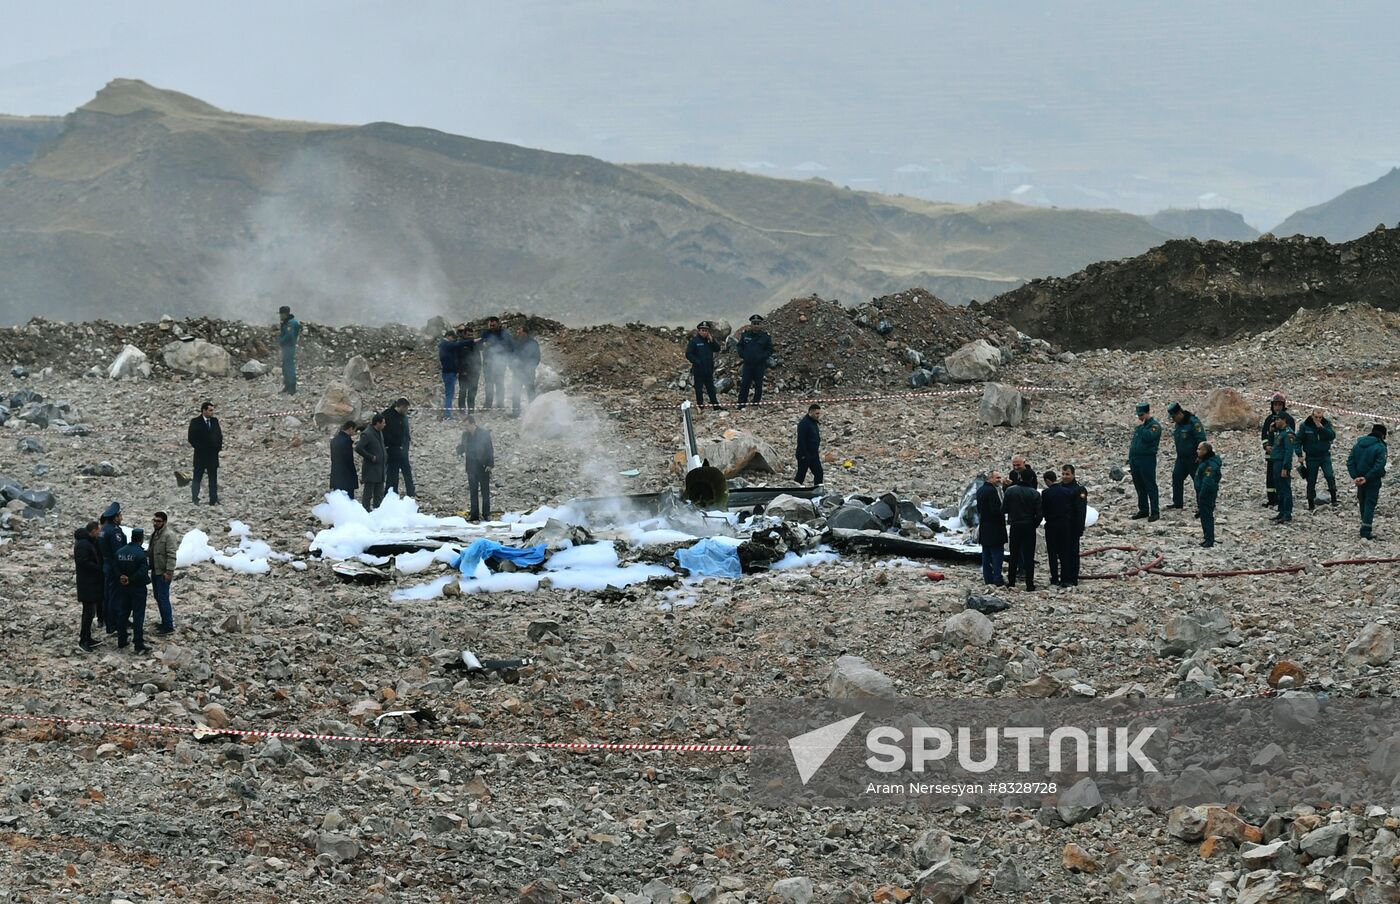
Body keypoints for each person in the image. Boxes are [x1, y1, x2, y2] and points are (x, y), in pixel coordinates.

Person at [1042, 464, 1088, 587]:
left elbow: (1081, 511)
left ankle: (1072, 577)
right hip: (1062, 526)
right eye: (1063, 474)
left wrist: (1079, 528)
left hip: (1072, 526)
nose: (1065, 476)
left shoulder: (1079, 489)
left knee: (1072, 552)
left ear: (1073, 474)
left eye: (1067, 474)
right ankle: (1063, 576)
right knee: (1062, 552)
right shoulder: (1060, 487)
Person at [1347, 424, 1388, 540]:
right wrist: (1367, 477)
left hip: (1359, 479)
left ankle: (1364, 523)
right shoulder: (1380, 447)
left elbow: (1350, 461)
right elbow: (1379, 465)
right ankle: (1365, 531)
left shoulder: (1358, 444)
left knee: (1362, 501)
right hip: (1372, 480)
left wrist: (1355, 477)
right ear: (1383, 435)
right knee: (1370, 504)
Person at [114, 527, 151, 653]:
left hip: (122, 587)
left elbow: (114, 567)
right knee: (138, 615)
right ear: (141, 539)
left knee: (123, 613)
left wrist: (122, 577)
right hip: (137, 588)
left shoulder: (120, 552)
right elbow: (143, 571)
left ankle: (122, 639)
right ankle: (138, 643)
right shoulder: (141, 554)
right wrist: (131, 579)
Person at [1004, 471, 1042, 591]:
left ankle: (1011, 582)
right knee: (1029, 556)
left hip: (1015, 525)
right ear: (1031, 479)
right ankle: (1029, 584)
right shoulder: (1035, 493)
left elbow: (1003, 508)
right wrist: (1034, 524)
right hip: (1029, 526)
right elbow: (1039, 514)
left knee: (1014, 554)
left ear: (1019, 477)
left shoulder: (1010, 491)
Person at [1166, 401, 1207, 511]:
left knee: (1198, 482)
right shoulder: (1178, 424)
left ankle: (1202, 505)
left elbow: (1201, 439)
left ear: (1179, 413)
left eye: (1174, 417)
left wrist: (1201, 456)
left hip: (1194, 458)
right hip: (1181, 458)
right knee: (1176, 477)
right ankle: (1177, 503)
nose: (1173, 420)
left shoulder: (1194, 423)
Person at [455, 416, 495, 521]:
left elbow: (489, 449)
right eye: (464, 426)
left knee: (485, 491)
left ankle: (486, 514)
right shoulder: (465, 435)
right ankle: (474, 514)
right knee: (473, 491)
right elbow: (463, 447)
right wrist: (459, 450)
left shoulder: (484, 434)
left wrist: (490, 465)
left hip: (483, 466)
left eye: (467, 425)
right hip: (471, 467)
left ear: (473, 424)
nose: (465, 428)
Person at [1298, 408, 1338, 509]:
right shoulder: (1305, 426)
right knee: (1311, 480)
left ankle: (1334, 498)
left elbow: (1332, 436)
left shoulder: (1326, 424)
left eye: (1320, 417)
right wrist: (1299, 454)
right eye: (1316, 417)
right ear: (1312, 416)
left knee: (1329, 475)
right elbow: (1298, 440)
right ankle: (1311, 502)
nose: (1318, 419)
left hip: (1324, 455)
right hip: (1311, 457)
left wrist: (1322, 429)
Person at [1260, 392, 1296, 507]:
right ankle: (1272, 499)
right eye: (1275, 405)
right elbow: (1264, 434)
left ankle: (1283, 502)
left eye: (1279, 405)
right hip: (1271, 453)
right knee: (1271, 476)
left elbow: (1289, 438)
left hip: (1281, 454)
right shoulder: (1269, 419)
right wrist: (1266, 446)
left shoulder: (1288, 419)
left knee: (1282, 478)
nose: (1277, 407)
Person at [73, 521, 105, 652]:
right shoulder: (83, 544)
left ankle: (87, 637)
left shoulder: (88, 542)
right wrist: (99, 568)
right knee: (88, 612)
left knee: (90, 612)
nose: (99, 533)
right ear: (93, 530)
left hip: (91, 583)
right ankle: (83, 641)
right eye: (98, 531)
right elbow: (83, 562)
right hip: (87, 583)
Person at [1129, 402, 1162, 521]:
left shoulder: (1154, 426)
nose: (1140, 417)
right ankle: (1143, 509)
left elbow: (1149, 437)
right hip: (1135, 459)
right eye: (1138, 415)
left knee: (1150, 484)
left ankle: (1155, 511)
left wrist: (1142, 427)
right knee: (1139, 485)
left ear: (1148, 413)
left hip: (1147, 459)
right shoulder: (1140, 427)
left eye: (1142, 414)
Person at [187, 401, 223, 505]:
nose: (212, 413)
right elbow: (191, 438)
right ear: (204, 410)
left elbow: (219, 435)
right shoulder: (195, 422)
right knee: (197, 478)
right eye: (210, 410)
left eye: (213, 410)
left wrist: (217, 448)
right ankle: (195, 498)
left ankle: (213, 499)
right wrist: (201, 448)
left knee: (213, 479)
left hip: (212, 456)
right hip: (200, 456)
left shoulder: (215, 421)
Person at [975, 471, 1007, 586]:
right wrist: (1003, 514)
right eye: (997, 478)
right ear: (990, 478)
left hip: (984, 526)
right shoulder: (993, 491)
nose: (999, 480)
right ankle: (997, 579)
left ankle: (988, 579)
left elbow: (979, 509)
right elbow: (996, 510)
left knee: (986, 554)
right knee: (997, 554)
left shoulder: (980, 490)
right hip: (995, 528)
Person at [148, 511, 177, 636]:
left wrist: (169, 572)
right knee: (158, 597)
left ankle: (168, 626)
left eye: (158, 521)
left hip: (163, 572)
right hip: (155, 570)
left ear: (164, 522)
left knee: (163, 598)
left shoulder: (168, 535)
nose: (155, 523)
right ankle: (164, 622)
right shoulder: (155, 534)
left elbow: (171, 555)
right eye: (154, 521)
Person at [736, 314, 773, 409]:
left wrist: (762, 357)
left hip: (759, 365)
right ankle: (741, 404)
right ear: (751, 324)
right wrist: (743, 355)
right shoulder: (745, 335)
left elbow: (770, 350)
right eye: (754, 323)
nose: (756, 325)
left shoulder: (765, 337)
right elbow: (739, 346)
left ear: (761, 325)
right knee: (745, 384)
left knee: (758, 385)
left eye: (758, 323)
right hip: (748, 364)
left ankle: (755, 404)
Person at [437, 330, 476, 419]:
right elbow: (458, 345)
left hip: (449, 373)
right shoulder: (446, 344)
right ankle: (447, 415)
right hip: (449, 373)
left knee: (449, 394)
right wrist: (472, 341)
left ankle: (448, 414)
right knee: (449, 394)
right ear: (448, 336)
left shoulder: (444, 345)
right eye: (453, 338)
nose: (453, 340)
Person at [99, 503, 125, 636]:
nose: (121, 518)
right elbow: (118, 552)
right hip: (114, 567)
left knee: (108, 595)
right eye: (119, 515)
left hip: (106, 565)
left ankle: (110, 621)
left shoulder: (103, 529)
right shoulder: (114, 531)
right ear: (115, 518)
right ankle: (113, 624)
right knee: (114, 596)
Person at [381, 398, 416, 498]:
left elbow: (405, 433)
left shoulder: (402, 417)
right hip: (392, 449)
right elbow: (384, 432)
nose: (406, 411)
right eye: (406, 408)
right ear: (402, 406)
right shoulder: (387, 415)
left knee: (406, 470)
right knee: (392, 472)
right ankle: (390, 493)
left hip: (401, 449)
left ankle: (410, 492)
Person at [1269, 414, 1298, 523]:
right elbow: (1274, 444)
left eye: (1278, 419)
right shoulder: (1280, 432)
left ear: (1284, 420)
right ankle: (1281, 511)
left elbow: (1288, 451)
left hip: (1282, 463)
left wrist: (1285, 467)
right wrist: (1271, 431)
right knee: (1279, 488)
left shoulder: (1288, 433)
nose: (1276, 421)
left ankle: (1287, 513)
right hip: (1276, 462)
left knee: (1285, 489)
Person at [479, 316, 513, 410]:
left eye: (493, 325)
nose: (492, 327)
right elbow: (479, 345)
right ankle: (487, 405)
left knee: (499, 384)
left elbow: (510, 346)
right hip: (488, 363)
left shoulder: (505, 333)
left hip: (500, 363)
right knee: (488, 384)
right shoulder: (486, 333)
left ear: (498, 324)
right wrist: (483, 345)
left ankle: (500, 404)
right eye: (490, 325)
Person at [686, 322, 722, 408]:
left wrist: (712, 340)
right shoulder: (694, 341)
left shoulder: (709, 341)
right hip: (698, 369)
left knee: (711, 388)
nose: (704, 332)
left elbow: (717, 349)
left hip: (708, 369)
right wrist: (696, 361)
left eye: (706, 330)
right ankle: (700, 406)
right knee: (699, 389)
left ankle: (715, 405)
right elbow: (688, 354)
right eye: (703, 330)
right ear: (699, 331)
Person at [356, 414, 388, 510]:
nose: (385, 425)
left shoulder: (380, 432)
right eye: (383, 423)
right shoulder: (367, 434)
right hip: (371, 469)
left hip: (380, 468)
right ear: (377, 423)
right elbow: (358, 448)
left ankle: (377, 512)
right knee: (368, 493)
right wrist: (371, 457)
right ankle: (365, 512)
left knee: (379, 493)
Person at [1194, 442, 1223, 548]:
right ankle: (1207, 537)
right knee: (1204, 516)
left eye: (1199, 449)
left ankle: (1209, 540)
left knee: (1207, 516)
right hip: (1202, 493)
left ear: (1205, 451)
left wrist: (1202, 494)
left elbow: (1208, 481)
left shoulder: (1210, 465)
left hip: (1206, 493)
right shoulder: (1205, 462)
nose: (1197, 451)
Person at [510, 325, 541, 415]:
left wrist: (531, 367)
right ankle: (515, 412)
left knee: (530, 391)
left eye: (520, 331)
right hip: (517, 372)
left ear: (525, 332)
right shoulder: (516, 343)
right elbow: (512, 356)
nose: (518, 333)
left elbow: (537, 357)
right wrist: (512, 367)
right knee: (516, 391)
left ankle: (533, 412)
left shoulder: (533, 343)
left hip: (529, 372)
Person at [795, 404, 823, 486]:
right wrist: (804, 454)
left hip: (814, 454)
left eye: (819, 413)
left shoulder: (813, 422)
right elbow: (801, 440)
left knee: (819, 473)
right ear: (810, 412)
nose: (818, 416)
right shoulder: (804, 424)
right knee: (801, 475)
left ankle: (818, 492)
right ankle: (793, 491)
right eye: (816, 414)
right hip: (804, 454)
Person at [455, 326, 482, 414]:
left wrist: (479, 368)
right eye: (468, 335)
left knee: (472, 392)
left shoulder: (475, 343)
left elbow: (478, 356)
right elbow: (457, 359)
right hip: (464, 373)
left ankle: (471, 411)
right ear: (464, 334)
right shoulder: (460, 344)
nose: (470, 337)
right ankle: (462, 411)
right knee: (463, 391)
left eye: (471, 335)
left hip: (475, 372)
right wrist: (461, 371)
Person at [330, 420, 359, 495]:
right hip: (346, 477)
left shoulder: (334, 440)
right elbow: (348, 460)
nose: (354, 433)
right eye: (354, 430)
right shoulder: (347, 441)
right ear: (350, 428)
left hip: (336, 475)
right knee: (348, 500)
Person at [278, 305, 302, 395]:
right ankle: (287, 385)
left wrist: (281, 340)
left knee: (288, 366)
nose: (280, 316)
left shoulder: (290, 323)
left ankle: (292, 387)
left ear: (284, 314)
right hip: (287, 346)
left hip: (288, 346)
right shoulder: (288, 322)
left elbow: (289, 335)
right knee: (285, 365)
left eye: (281, 314)